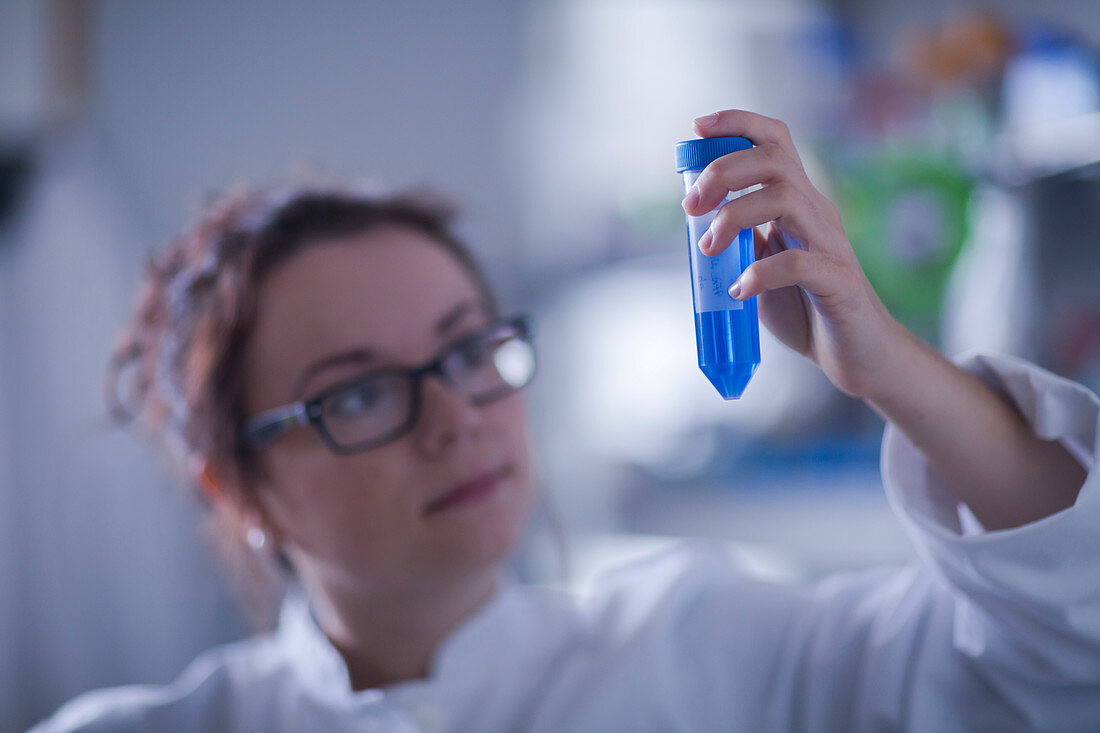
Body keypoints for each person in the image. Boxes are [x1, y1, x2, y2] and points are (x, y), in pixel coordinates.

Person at [32, 110, 1098, 732]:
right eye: (358, 392)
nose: (454, 416)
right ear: (237, 485)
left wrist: (892, 371)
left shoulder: (718, 651)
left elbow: (1060, 645)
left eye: (465, 349)